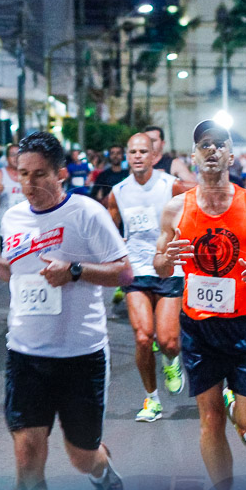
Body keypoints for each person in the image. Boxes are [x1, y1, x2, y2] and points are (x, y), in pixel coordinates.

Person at [0, 132, 130, 490]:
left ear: (60, 174)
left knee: (81, 455)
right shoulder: (13, 218)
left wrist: (75, 271)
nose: (29, 183)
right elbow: (22, 274)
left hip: (81, 356)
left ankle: (100, 468)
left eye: (39, 174)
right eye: (23, 174)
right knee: (27, 457)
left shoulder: (86, 213)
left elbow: (125, 273)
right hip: (25, 355)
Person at [153, 120, 246, 490]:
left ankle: (237, 406)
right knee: (209, 422)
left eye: (219, 144)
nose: (211, 150)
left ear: (231, 155)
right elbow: (160, 266)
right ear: (193, 156)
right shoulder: (176, 208)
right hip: (199, 327)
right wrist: (167, 259)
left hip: (244, 325)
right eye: (203, 145)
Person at [107, 133, 188, 422]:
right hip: (136, 271)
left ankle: (171, 360)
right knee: (143, 338)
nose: (138, 156)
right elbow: (107, 232)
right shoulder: (117, 192)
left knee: (167, 342)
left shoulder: (171, 186)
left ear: (154, 156)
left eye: (144, 151)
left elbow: (190, 220)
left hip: (168, 269)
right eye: (133, 151)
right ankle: (152, 400)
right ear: (126, 156)